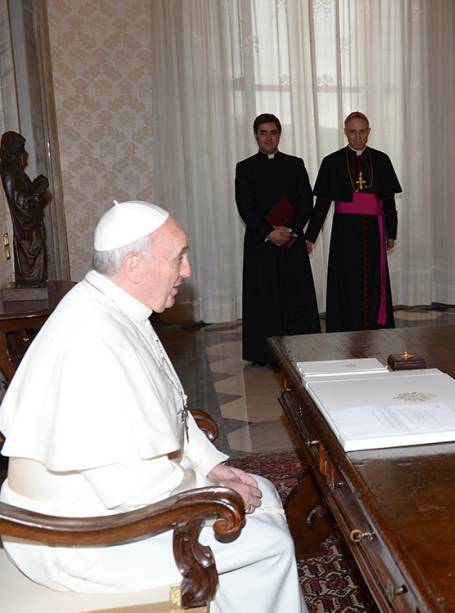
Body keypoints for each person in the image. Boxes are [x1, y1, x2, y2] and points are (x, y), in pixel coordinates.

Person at [0, 201, 305, 612]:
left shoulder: (118, 309)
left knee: (262, 492)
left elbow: (173, 411)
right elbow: (127, 486)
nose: (187, 271)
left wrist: (212, 466)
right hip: (84, 540)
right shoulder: (92, 341)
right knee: (271, 544)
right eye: (178, 258)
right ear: (134, 266)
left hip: (105, 509)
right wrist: (210, 491)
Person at [235, 113, 320, 365]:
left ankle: (300, 349)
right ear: (256, 136)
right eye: (263, 133)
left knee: (295, 295)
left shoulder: (295, 164)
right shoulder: (245, 167)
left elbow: (307, 201)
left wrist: (289, 229)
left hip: (291, 241)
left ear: (279, 135)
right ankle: (263, 354)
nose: (268, 137)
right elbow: (245, 206)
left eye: (273, 132)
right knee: (263, 296)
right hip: (261, 243)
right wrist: (269, 232)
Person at [306, 111, 401, 331]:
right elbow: (322, 205)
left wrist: (391, 233)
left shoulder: (381, 160)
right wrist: (310, 236)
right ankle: (347, 327)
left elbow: (388, 201)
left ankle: (375, 327)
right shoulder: (332, 162)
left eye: (362, 131)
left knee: (374, 282)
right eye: (353, 132)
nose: (358, 137)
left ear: (369, 131)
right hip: (345, 233)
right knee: (346, 281)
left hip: (374, 232)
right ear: (345, 133)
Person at [0, 131, 50, 287]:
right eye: (19, 150)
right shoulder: (7, 170)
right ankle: (30, 282)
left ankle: (34, 281)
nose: (23, 154)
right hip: (25, 225)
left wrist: (36, 185)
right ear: (11, 150)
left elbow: (23, 192)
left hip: (31, 219)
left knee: (38, 249)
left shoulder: (16, 169)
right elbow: (17, 200)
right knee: (31, 251)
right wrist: (35, 192)